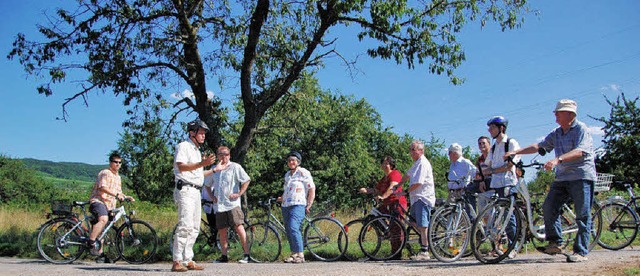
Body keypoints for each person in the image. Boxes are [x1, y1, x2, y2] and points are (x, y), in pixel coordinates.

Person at [506, 99, 596, 263]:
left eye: (558, 112)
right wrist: (516, 151)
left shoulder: (581, 129)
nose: (555, 114)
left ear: (569, 114)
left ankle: (581, 251)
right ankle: (555, 242)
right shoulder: (557, 132)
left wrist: (557, 160)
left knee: (582, 215)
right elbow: (540, 146)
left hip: (581, 176)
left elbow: (580, 151)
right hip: (562, 177)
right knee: (549, 206)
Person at [172, 119, 217, 272]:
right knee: (185, 225)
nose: (204, 136)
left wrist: (215, 169)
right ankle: (177, 260)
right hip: (185, 190)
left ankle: (188, 259)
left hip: (196, 190)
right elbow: (181, 166)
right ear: (192, 133)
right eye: (201, 132)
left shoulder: (197, 151)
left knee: (194, 227)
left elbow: (199, 173)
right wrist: (201, 164)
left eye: (204, 133)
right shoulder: (183, 146)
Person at [482, 116, 520, 259]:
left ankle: (513, 246)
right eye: (489, 128)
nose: (490, 130)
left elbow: (509, 166)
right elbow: (488, 165)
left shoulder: (510, 143)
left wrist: (491, 171)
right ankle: (498, 246)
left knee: (508, 216)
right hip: (496, 184)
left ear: (501, 128)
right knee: (496, 216)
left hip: (508, 183)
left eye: (492, 128)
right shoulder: (494, 147)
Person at [359, 156, 408, 260]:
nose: (385, 165)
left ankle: (396, 254)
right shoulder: (383, 178)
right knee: (373, 218)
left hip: (397, 203)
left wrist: (383, 197)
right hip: (387, 204)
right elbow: (376, 190)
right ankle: (387, 233)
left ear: (391, 165)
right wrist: (366, 190)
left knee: (396, 228)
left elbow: (392, 187)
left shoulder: (395, 174)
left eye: (387, 163)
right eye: (383, 163)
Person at [88, 152, 134, 263]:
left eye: (120, 162)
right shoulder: (105, 173)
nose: (118, 164)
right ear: (110, 162)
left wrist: (126, 196)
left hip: (109, 205)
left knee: (105, 229)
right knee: (103, 219)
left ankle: (100, 255)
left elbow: (119, 192)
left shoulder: (118, 177)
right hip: (99, 201)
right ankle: (91, 241)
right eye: (115, 162)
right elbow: (102, 187)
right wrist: (116, 195)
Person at [210, 146, 251, 264]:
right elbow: (207, 185)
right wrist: (212, 197)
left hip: (232, 204)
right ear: (217, 156)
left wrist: (239, 193)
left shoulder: (235, 167)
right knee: (222, 230)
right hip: (220, 205)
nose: (224, 156)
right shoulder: (214, 169)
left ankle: (247, 254)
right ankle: (224, 255)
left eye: (226, 154)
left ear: (229, 155)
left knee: (239, 227)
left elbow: (246, 180)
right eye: (221, 154)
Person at [401, 140, 436, 261]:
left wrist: (405, 191)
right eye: (410, 149)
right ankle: (427, 240)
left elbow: (419, 183)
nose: (410, 152)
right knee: (412, 222)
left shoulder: (423, 163)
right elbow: (407, 174)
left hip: (423, 197)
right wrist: (398, 185)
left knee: (422, 226)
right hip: (415, 198)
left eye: (413, 150)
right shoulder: (416, 163)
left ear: (420, 151)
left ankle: (425, 251)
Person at [280, 151, 316, 263]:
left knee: (293, 227)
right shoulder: (287, 175)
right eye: (289, 160)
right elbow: (287, 190)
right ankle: (293, 254)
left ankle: (300, 254)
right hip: (286, 205)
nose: (291, 162)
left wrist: (309, 204)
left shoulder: (303, 172)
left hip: (298, 203)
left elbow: (311, 188)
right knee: (289, 230)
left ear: (298, 162)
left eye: (294, 160)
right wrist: (281, 198)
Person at [446, 143, 477, 213]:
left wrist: (468, 185)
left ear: (455, 153)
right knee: (451, 212)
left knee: (464, 213)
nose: (448, 155)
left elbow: (475, 173)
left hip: (462, 192)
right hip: (452, 193)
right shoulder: (452, 164)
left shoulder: (465, 162)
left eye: (449, 153)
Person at [472, 136, 495, 210]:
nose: (481, 145)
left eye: (483, 143)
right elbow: (478, 173)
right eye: (479, 143)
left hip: (493, 185)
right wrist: (481, 180)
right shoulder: (479, 159)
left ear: (489, 144)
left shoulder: (494, 156)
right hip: (483, 186)